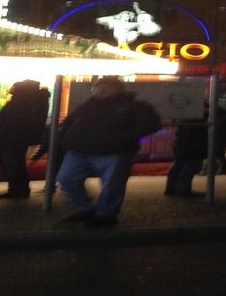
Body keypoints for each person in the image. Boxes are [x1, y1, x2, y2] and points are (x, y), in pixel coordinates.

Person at [55, 76, 161, 227]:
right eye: (99, 87)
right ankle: (89, 209)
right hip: (80, 150)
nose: (102, 89)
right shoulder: (86, 106)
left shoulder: (134, 106)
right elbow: (68, 124)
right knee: (66, 179)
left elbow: (152, 124)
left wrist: (124, 137)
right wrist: (66, 139)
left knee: (111, 185)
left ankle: (105, 215)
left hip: (114, 151)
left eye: (108, 86)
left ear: (118, 89)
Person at [0, 79, 50, 199]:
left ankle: (17, 189)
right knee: (13, 162)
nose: (12, 90)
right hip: (13, 136)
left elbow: (12, 120)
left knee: (13, 162)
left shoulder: (24, 102)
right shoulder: (31, 101)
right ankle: (18, 188)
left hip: (13, 136)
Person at [164, 104, 210, 198]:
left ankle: (171, 188)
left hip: (184, 145)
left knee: (179, 166)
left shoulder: (187, 116)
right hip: (194, 146)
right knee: (189, 168)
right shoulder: (199, 119)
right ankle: (183, 190)